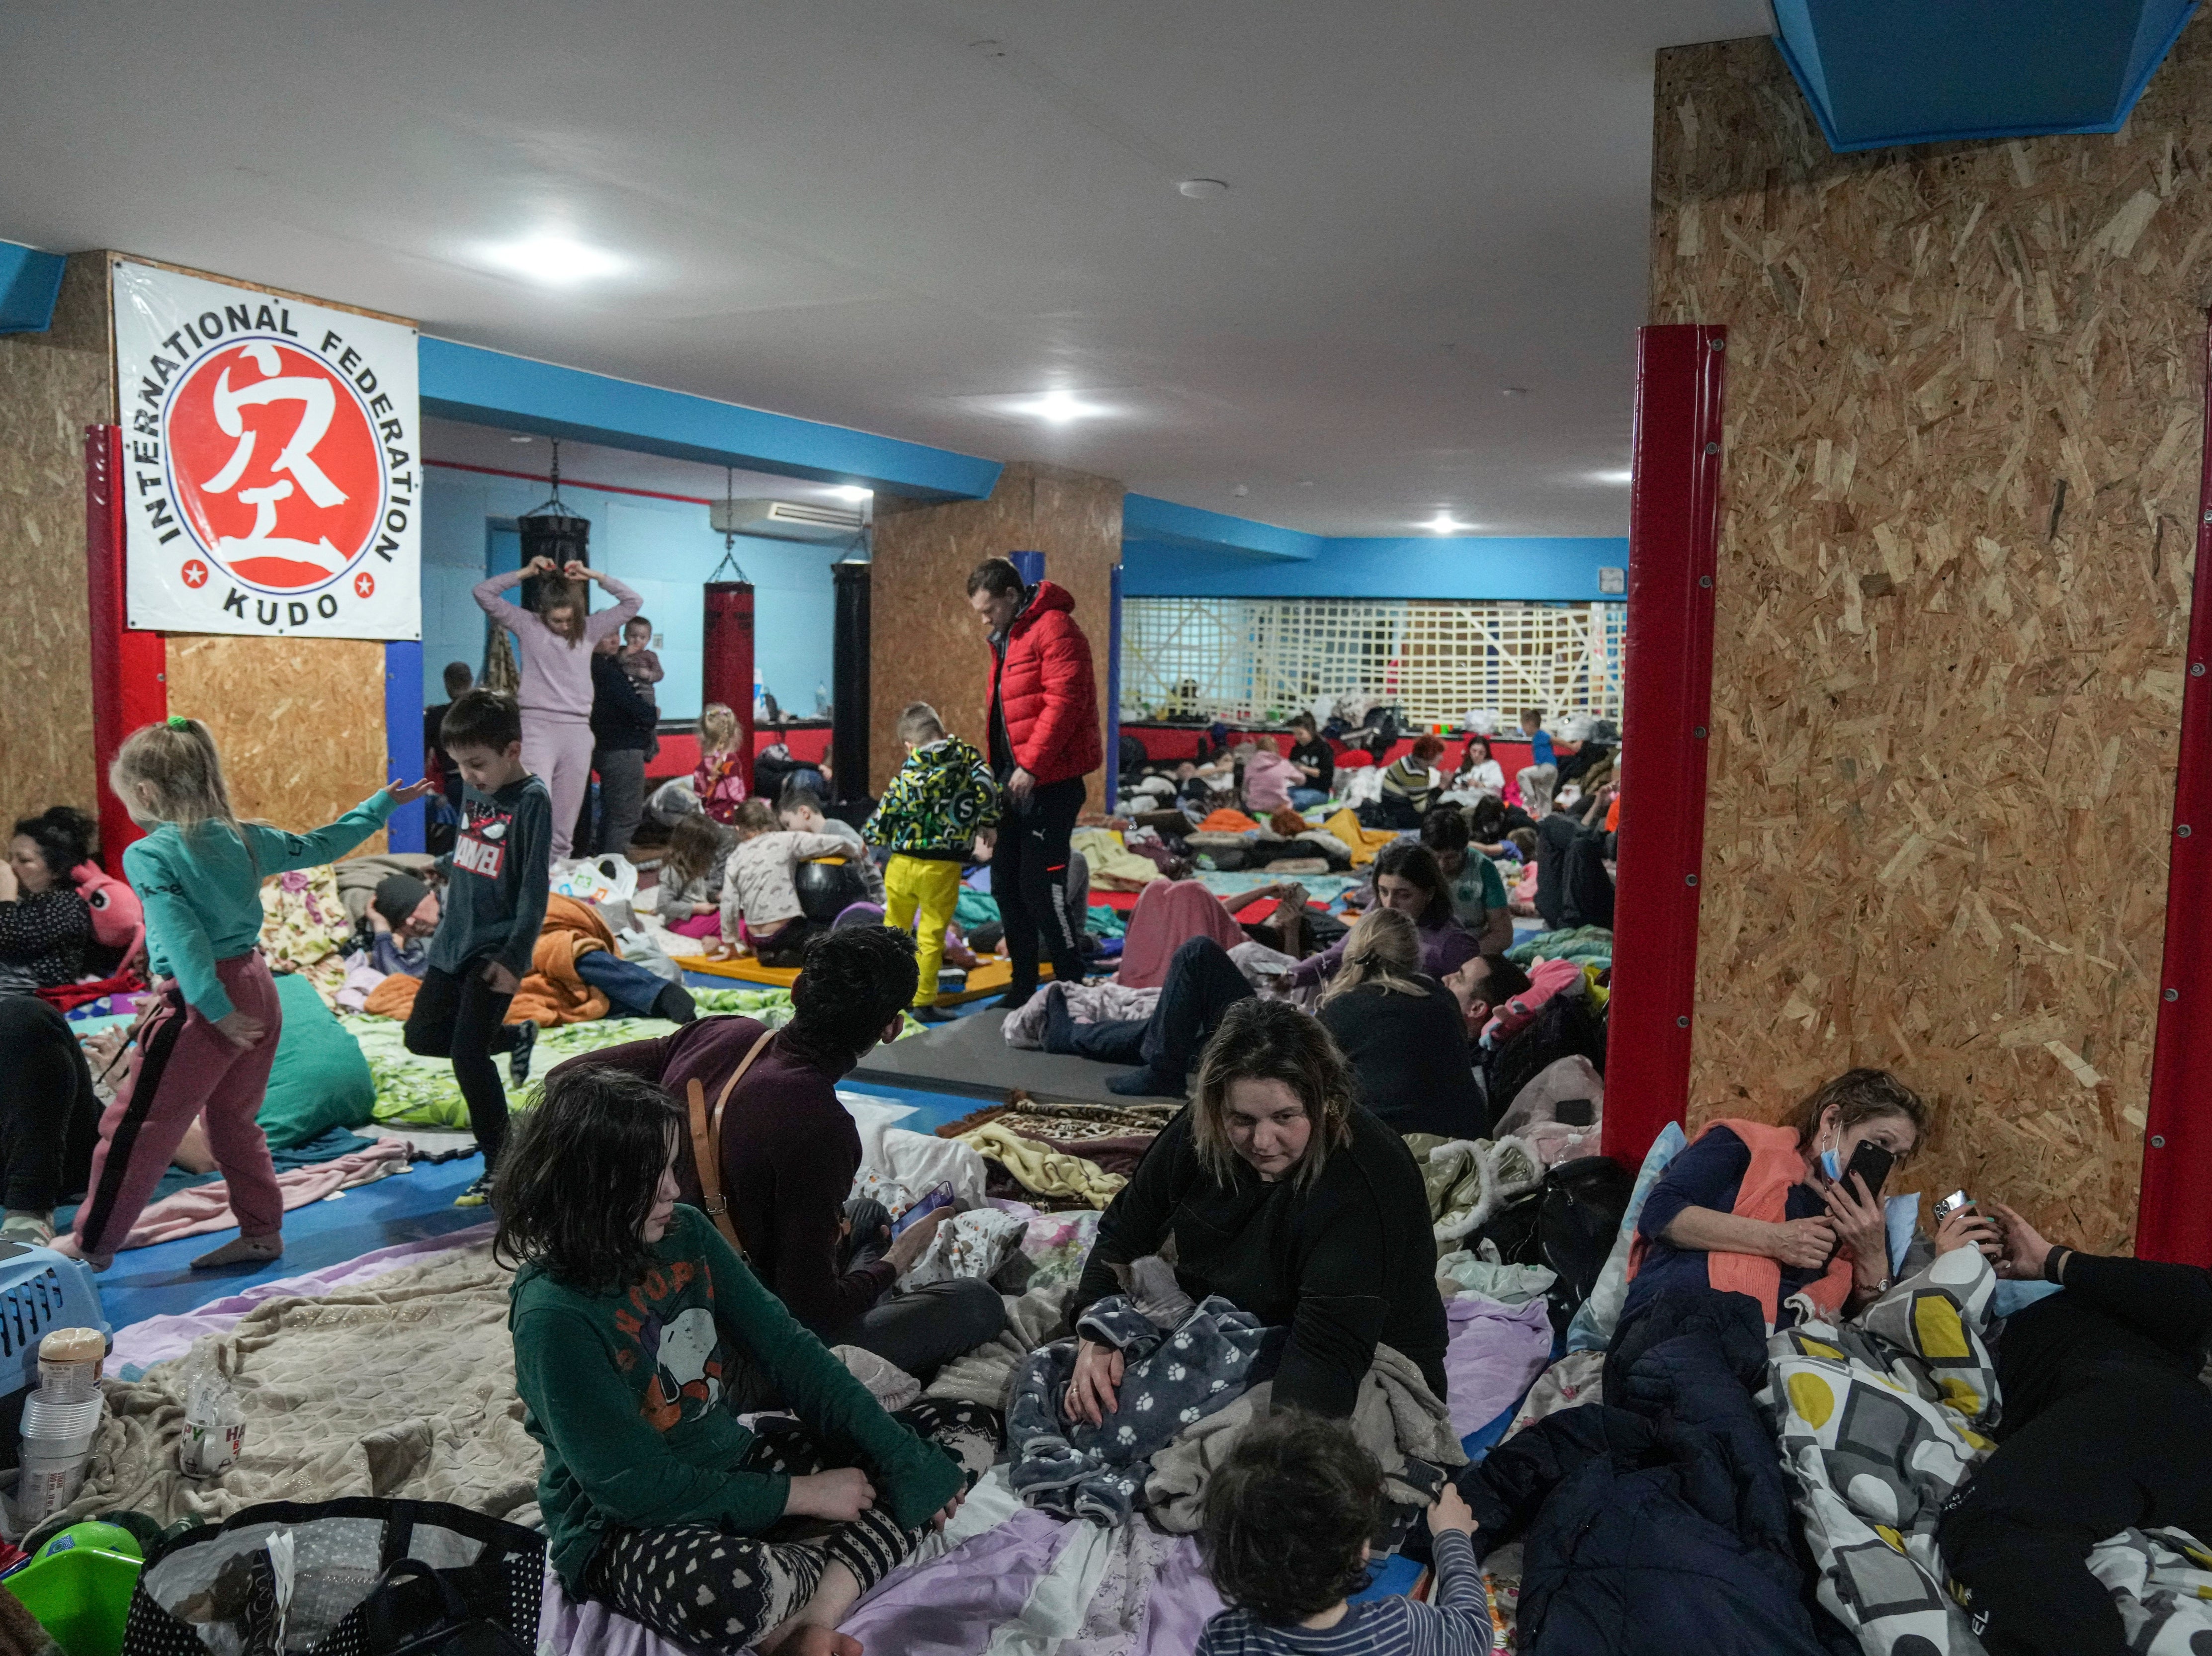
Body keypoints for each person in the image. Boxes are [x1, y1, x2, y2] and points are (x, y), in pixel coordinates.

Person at [501, 1062, 991, 1656]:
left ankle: (810, 1619)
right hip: (623, 1525)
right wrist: (805, 1495)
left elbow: (789, 1349)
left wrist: (901, 1458)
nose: (673, 1190)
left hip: (734, 1463)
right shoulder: (552, 1313)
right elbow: (634, 1491)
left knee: (960, 1429)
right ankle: (816, 1582)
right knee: (733, 1590)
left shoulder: (683, 1231)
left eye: (668, 1167)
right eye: (648, 1176)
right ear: (591, 1187)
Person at [550, 926, 1007, 1381]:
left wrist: (625, 1177)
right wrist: (896, 1262)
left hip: (656, 1268)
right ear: (892, 1027)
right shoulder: (821, 1126)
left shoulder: (719, 1033)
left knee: (866, 1214)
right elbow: (811, 1314)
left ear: (795, 989)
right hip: (722, 1329)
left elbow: (565, 1078)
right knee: (976, 1303)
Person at [57, 718, 430, 1271]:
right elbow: (322, 843)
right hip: (257, 982)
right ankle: (261, 1231)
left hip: (205, 1000)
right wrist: (379, 805)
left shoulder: (149, 854)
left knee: (136, 1125)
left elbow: (184, 935)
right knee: (233, 1122)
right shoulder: (245, 835)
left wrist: (213, 1009)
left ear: (146, 793)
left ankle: (90, 1246)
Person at [1071, 998, 1448, 1419]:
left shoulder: (1366, 1178)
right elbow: (1123, 1233)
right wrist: (1096, 1333)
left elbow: (1326, 1355)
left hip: (1356, 1352)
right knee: (1079, 1390)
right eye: (1243, 1120)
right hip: (1225, 1326)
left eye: (1285, 1117)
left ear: (1327, 1103)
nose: (1262, 1142)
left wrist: (1280, 1460)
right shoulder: (1202, 1131)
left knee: (1250, 1460)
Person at [1936, 1205, 2212, 1656]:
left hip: (2137, 1403)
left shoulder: (2118, 1303)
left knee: (1993, 1525)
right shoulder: (1970, 1299)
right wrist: (1944, 1270)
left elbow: (2199, 1299)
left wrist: (2052, 1262)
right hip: (2155, 1454)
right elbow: (1900, 1321)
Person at [1621, 1068, 1929, 1331]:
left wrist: (1872, 1253)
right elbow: (1659, 1214)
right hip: (1683, 1308)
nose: (1885, 1163)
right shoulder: (1745, 1145)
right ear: (1832, 1122)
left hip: (1774, 1344)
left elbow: (1864, 1319)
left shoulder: (1868, 1220)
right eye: (1880, 1143)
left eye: (1897, 1157)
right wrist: (1775, 1239)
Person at [404, 690, 553, 1209]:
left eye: (477, 763)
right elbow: (479, 846)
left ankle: (503, 1162)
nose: (468, 774)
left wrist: (514, 959)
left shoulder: (532, 798)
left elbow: (535, 888)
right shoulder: (474, 788)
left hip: (494, 948)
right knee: (422, 1036)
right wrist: (444, 863)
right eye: (459, 765)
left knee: (468, 1055)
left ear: (512, 749)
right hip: (454, 939)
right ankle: (511, 1037)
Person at [1195, 1411, 1491, 1656]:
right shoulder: (1401, 1630)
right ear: (1361, 1553)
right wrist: (1453, 1536)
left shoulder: (1223, 1638)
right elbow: (1475, 1633)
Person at [966, 557, 1102, 1008]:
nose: (984, 619)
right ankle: (1022, 985)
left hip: (1051, 782)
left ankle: (1071, 981)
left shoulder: (1055, 627)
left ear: (1011, 595)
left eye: (989, 609)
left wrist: (1032, 766)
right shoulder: (1006, 637)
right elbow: (1006, 717)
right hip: (1013, 779)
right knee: (1004, 885)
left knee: (1041, 888)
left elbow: (1065, 702)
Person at [474, 555, 642, 858]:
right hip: (538, 728)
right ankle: (523, 880)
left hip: (578, 732)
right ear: (543, 613)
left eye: (569, 620)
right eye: (557, 620)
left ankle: (556, 890)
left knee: (564, 826)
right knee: (535, 812)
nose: (564, 626)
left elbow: (633, 602)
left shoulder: (589, 629)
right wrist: (524, 572)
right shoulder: (527, 625)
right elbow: (483, 593)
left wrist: (594, 575)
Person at [864, 702, 999, 1024]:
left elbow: (887, 808)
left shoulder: (908, 772)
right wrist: (988, 822)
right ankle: (923, 1000)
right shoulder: (966, 758)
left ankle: (890, 1000)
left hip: (901, 862)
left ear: (909, 745)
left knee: (894, 931)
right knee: (932, 933)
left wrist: (871, 836)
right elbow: (987, 785)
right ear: (943, 730)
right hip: (942, 866)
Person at [1315, 909, 1484, 1138]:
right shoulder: (1442, 997)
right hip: (1468, 1140)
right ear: (1416, 954)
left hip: (1391, 1148)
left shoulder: (1338, 1009)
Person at [1286, 843, 1478, 991]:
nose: (1390, 904)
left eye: (1404, 895)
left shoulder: (1454, 944)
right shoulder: (1378, 910)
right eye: (1384, 892)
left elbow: (1460, 1004)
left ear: (1429, 894)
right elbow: (1340, 954)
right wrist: (1289, 978)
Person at [0, 998, 102, 1245]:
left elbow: (199, 1155)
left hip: (53, 1158)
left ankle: (29, 1208)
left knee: (24, 1014)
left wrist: (133, 1088)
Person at [715, 800, 862, 967]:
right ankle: (798, 955)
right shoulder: (786, 839)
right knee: (835, 934)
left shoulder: (736, 856)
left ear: (739, 829)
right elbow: (832, 842)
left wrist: (729, 944)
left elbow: (728, 903)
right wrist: (855, 850)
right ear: (771, 821)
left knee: (788, 939)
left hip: (755, 938)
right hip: (786, 931)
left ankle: (771, 955)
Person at [1, 808, 96, 992]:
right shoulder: (22, 901)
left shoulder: (66, 904)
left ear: (57, 871)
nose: (11, 867)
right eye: (10, 858)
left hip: (33, 998)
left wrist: (5, 899)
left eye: (24, 860)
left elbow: (7, 943)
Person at [588, 629, 657, 858]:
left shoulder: (605, 667)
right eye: (607, 634)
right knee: (626, 816)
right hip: (621, 749)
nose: (615, 640)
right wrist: (651, 714)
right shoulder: (604, 671)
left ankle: (604, 865)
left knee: (612, 814)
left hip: (608, 747)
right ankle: (610, 872)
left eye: (617, 634)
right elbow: (633, 706)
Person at [1421, 806, 1513, 954]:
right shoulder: (1417, 864)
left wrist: (1465, 957)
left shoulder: (1482, 868)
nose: (1442, 866)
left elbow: (1503, 935)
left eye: (1451, 858)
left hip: (1471, 946)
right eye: (1436, 857)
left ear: (1464, 848)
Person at [657, 813, 730, 939]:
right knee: (730, 923)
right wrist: (696, 908)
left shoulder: (696, 865)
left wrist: (716, 896)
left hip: (699, 915)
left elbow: (696, 892)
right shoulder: (673, 870)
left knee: (735, 915)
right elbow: (663, 905)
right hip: (680, 921)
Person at [364, 872, 439, 979]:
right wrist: (382, 928)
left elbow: (403, 978)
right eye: (401, 921)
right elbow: (402, 978)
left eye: (411, 910)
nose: (410, 922)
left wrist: (382, 933)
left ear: (431, 895)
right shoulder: (415, 941)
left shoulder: (462, 915)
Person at [425, 660, 474, 809]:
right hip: (486, 783)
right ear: (471, 681)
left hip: (454, 784)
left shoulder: (435, 716)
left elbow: (425, 761)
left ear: (447, 683)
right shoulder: (486, 713)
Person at [692, 702, 750, 826]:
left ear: (702, 735)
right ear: (735, 734)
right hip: (730, 818)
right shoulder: (731, 760)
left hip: (708, 819)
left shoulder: (702, 764)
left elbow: (698, 793)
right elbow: (737, 794)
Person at [1376, 736, 1446, 829]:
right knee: (1443, 818)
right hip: (1399, 813)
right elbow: (1422, 808)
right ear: (1428, 755)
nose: (1442, 758)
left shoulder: (1410, 760)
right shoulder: (1414, 773)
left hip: (1391, 805)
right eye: (1439, 754)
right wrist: (1442, 786)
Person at [1284, 713, 1336, 810]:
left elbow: (1328, 775)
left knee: (1294, 803)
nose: (1297, 737)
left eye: (1301, 734)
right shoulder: (1297, 749)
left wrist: (1305, 769)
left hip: (1320, 791)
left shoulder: (1323, 748)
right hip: (1299, 787)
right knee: (1276, 797)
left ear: (1310, 731)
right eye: (1295, 734)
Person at [1242, 738, 1301, 816]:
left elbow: (1246, 787)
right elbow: (1301, 780)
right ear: (1276, 748)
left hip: (1255, 808)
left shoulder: (1250, 765)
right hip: (1280, 810)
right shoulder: (1283, 764)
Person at [1516, 709, 1559, 819]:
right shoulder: (1538, 737)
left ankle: (1530, 801)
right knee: (1544, 796)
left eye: (1523, 726)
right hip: (1551, 770)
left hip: (1546, 767)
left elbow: (1555, 741)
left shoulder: (1541, 735)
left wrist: (1571, 746)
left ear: (1530, 724)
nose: (1523, 729)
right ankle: (1544, 818)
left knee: (1522, 775)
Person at [618, 614, 663, 705]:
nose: (637, 640)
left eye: (643, 638)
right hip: (626, 692)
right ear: (625, 636)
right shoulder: (621, 651)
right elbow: (616, 662)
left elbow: (660, 674)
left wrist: (649, 675)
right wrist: (626, 653)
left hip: (645, 693)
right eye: (634, 636)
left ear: (648, 639)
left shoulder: (650, 656)